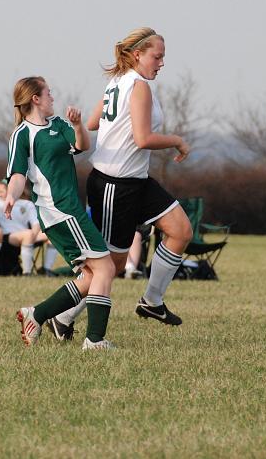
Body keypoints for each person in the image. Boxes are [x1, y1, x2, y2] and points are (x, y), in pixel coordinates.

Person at [48, 27, 193, 340]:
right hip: (115, 184)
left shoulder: (117, 81)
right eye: (158, 56)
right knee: (107, 268)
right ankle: (61, 315)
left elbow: (91, 123)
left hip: (136, 180)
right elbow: (143, 139)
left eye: (164, 57)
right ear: (138, 54)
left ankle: (152, 301)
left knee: (181, 230)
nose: (162, 62)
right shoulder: (137, 85)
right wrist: (177, 141)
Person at [6, 76, 116, 350]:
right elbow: (18, 174)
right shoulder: (22, 135)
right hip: (59, 212)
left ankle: (38, 315)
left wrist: (79, 124)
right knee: (106, 268)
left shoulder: (59, 125)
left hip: (69, 210)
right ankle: (94, 340)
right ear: (36, 99)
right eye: (48, 93)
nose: (52, 97)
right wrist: (10, 195)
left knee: (91, 276)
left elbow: (82, 146)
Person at [0, 179, 59, 276]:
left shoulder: (27, 204)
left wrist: (33, 235)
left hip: (27, 236)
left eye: (1, 192)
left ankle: (46, 269)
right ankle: (27, 272)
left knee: (53, 234)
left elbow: (36, 224)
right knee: (28, 234)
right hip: (8, 236)